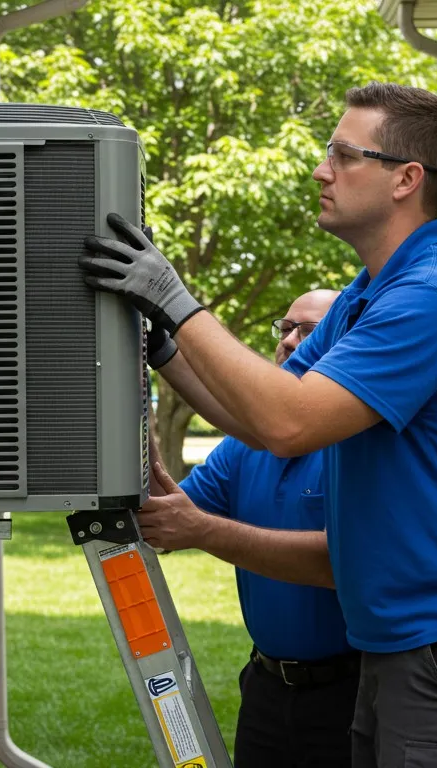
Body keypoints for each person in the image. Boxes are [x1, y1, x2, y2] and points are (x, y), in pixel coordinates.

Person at [79, 82, 437, 768]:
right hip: (400, 643)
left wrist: (173, 297)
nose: (322, 170)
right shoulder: (368, 294)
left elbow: (286, 422)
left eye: (343, 154)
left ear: (405, 180)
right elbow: (258, 412)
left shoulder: (434, 297)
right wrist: (160, 345)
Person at [139, 289, 356, 768]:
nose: (291, 341)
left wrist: (202, 531)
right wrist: (138, 394)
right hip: (265, 688)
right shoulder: (242, 449)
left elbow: (344, 563)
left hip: (351, 694)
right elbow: (162, 513)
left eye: (311, 330)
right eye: (285, 328)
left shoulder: (355, 444)